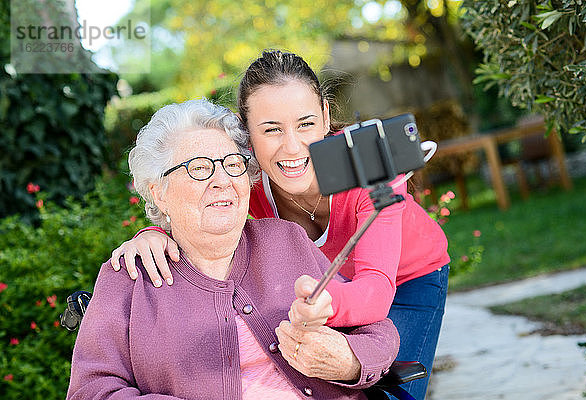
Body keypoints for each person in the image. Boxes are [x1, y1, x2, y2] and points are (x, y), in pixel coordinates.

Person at [111, 50, 450, 400]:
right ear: (246, 134)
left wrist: (326, 300)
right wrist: (152, 233)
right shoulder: (245, 181)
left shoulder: (368, 170)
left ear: (325, 116)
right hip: (327, 285)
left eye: (305, 124)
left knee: (391, 390)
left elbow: (376, 292)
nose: (292, 147)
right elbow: (196, 214)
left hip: (408, 278)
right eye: (271, 129)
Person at [67, 99, 400, 400]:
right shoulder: (127, 278)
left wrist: (349, 361)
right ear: (158, 192)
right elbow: (91, 390)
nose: (222, 179)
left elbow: (377, 330)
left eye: (232, 163)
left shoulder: (286, 241)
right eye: (198, 168)